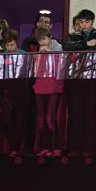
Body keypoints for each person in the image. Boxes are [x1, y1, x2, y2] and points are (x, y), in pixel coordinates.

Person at [63, 9, 96, 156]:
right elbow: (67, 47)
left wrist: (81, 44)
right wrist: (87, 43)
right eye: (81, 22)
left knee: (90, 113)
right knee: (75, 113)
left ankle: (90, 149)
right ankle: (74, 148)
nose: (84, 24)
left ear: (92, 22)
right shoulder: (71, 36)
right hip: (75, 78)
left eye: (87, 21)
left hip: (94, 78)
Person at [32, 27, 63, 156]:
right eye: (40, 40)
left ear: (50, 37)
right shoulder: (37, 53)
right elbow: (35, 72)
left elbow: (60, 70)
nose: (42, 42)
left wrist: (49, 53)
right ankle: (42, 147)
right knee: (41, 119)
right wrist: (39, 56)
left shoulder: (58, 48)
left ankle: (54, 147)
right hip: (40, 87)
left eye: (44, 39)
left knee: (50, 118)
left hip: (53, 87)